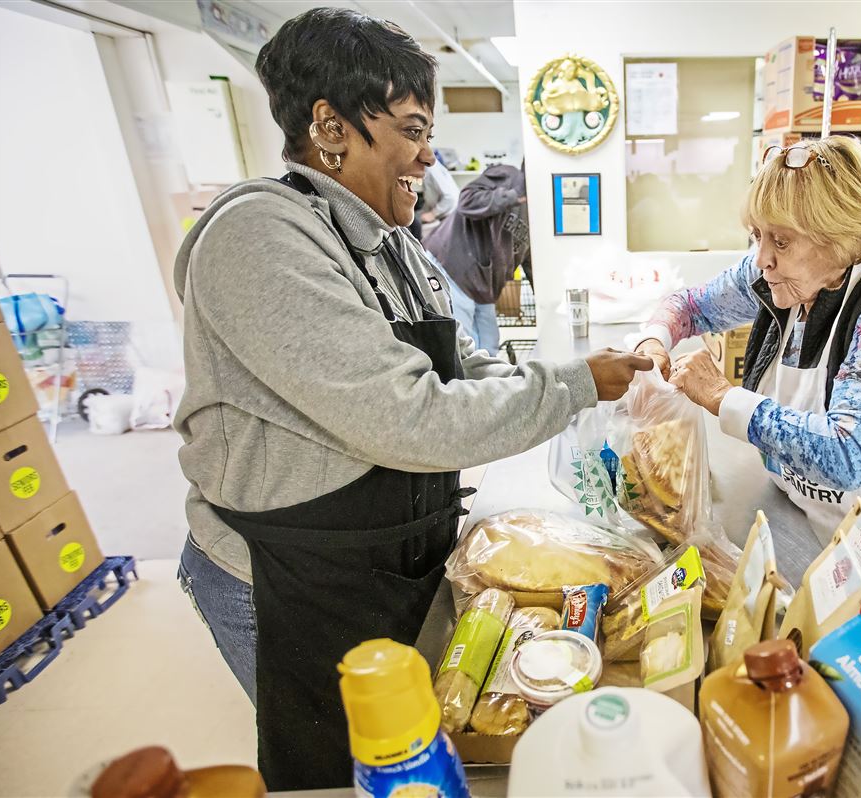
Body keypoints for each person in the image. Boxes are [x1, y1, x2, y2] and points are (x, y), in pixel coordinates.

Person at [172, 8, 651, 791]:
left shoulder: (388, 242)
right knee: (347, 770)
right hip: (294, 577)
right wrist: (569, 387)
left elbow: (458, 367)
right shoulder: (261, 238)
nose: (429, 156)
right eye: (410, 129)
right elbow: (407, 417)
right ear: (330, 127)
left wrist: (566, 376)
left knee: (416, 755)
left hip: (379, 560)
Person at [636, 136, 861, 598]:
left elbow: (850, 455)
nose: (762, 258)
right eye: (758, 236)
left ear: (842, 238)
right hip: (798, 508)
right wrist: (654, 342)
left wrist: (724, 397)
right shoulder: (780, 275)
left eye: (781, 241)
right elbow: (689, 304)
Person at [424, 164, 526, 355]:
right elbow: (466, 201)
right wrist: (511, 196)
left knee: (489, 346)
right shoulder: (507, 175)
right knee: (466, 348)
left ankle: (486, 383)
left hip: (485, 284)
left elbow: (530, 260)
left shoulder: (540, 212)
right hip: (454, 266)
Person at [419, 156, 460, 233]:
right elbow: (431, 196)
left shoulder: (432, 170)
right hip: (444, 217)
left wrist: (432, 214)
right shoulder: (428, 170)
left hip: (448, 217)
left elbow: (450, 198)